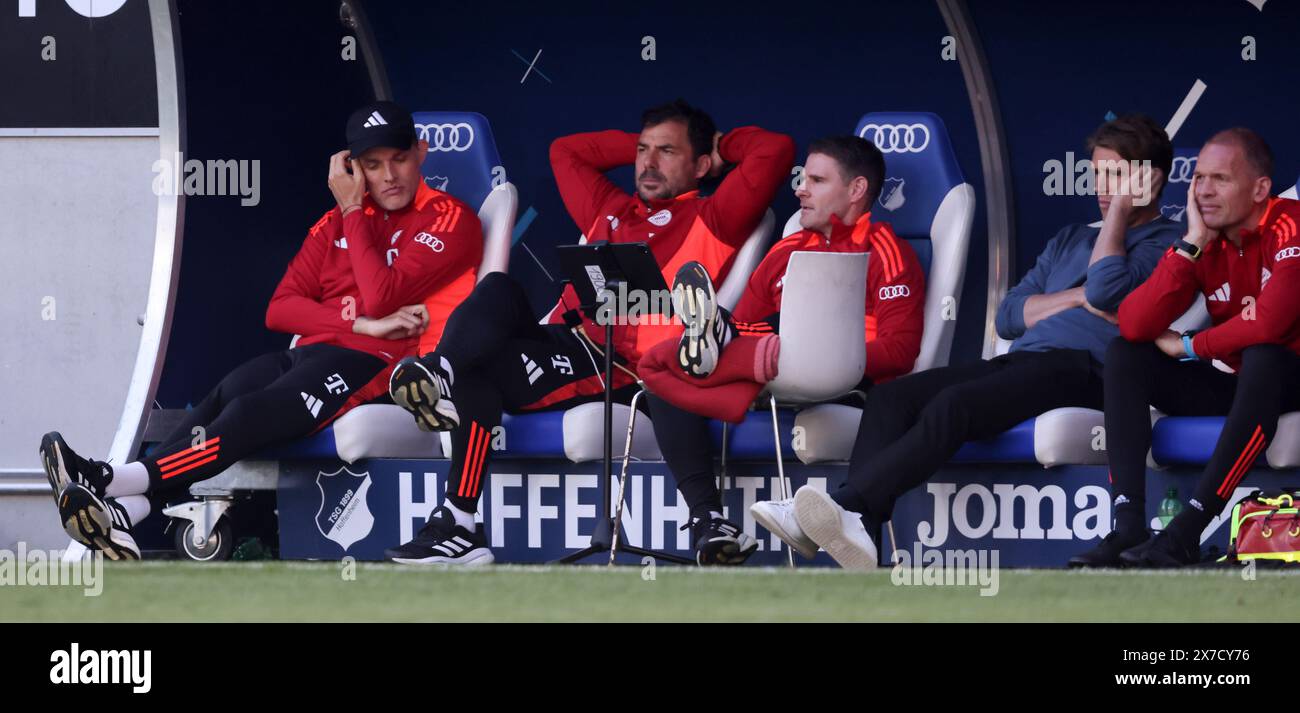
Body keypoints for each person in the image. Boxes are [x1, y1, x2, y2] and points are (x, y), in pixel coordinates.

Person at [40, 101, 483, 559]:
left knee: (252, 410)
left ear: (422, 152)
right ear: (352, 167)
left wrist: (352, 211)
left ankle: (109, 479)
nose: (388, 175)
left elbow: (383, 296)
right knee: (226, 394)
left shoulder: (449, 218)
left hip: (377, 362)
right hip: (312, 350)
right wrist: (357, 319)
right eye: (372, 165)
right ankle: (127, 513)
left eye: (399, 158)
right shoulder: (334, 224)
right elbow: (281, 309)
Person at [754, 113, 1182, 569]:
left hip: (1090, 369)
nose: (1102, 188)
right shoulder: (1069, 238)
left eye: (1115, 175)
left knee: (955, 404)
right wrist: (1075, 298)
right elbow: (1010, 316)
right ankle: (864, 532)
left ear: (1148, 179)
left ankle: (848, 506)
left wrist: (1113, 223)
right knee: (893, 399)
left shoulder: (1168, 241)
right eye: (1097, 174)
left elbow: (1104, 289)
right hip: (1028, 361)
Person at [385, 99, 795, 565]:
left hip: (626, 366)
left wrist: (720, 146)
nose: (648, 162)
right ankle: (440, 376)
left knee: (484, 376)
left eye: (667, 152)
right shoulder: (609, 207)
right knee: (498, 292)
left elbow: (776, 149)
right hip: (566, 341)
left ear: (701, 165)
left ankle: (459, 519)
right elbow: (566, 152)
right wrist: (646, 145)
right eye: (643, 151)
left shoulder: (714, 215)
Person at [637, 135, 925, 564]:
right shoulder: (785, 251)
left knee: (701, 349)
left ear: (857, 190)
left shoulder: (884, 249)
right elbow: (748, 325)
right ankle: (710, 521)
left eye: (816, 180)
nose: (800, 188)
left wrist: (830, 351)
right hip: (769, 374)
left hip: (845, 379)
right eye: (803, 177)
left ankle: (705, 341)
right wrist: (755, 341)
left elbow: (901, 350)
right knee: (666, 378)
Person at [1073, 127, 1300, 568]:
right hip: (1244, 383)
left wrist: (1192, 345)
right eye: (1197, 179)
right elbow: (1137, 324)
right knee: (1126, 354)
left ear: (1260, 189)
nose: (1204, 191)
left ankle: (1188, 530)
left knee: (1265, 355)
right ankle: (1128, 524)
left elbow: (1273, 323)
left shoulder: (1290, 222)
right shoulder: (1205, 237)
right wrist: (1190, 245)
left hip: (1288, 373)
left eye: (1219, 179)